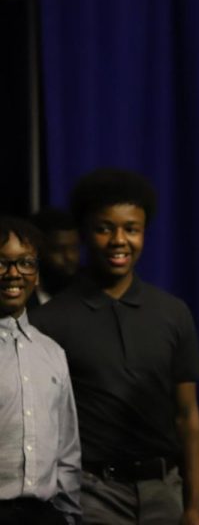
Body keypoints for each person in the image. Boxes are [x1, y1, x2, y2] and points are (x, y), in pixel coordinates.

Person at [32, 169, 199, 525]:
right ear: (83, 234)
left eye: (132, 229)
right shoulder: (50, 321)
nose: (119, 240)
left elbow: (187, 415)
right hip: (91, 493)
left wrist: (194, 507)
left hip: (164, 491)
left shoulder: (172, 313)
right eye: (104, 228)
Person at [0, 216, 80, 525]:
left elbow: (67, 449)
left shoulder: (52, 352)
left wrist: (69, 516)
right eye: (3, 263)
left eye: (25, 263)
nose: (13, 274)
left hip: (45, 514)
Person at [28, 208, 80, 306]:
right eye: (58, 249)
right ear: (36, 251)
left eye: (74, 248)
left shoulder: (87, 298)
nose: (69, 257)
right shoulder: (20, 303)